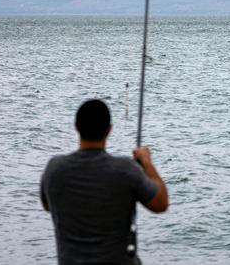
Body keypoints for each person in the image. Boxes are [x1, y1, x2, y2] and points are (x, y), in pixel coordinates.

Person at [40, 99, 168, 265]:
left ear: (76, 127)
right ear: (109, 130)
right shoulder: (126, 169)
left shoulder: (54, 169)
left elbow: (48, 206)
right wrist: (146, 163)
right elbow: (161, 203)